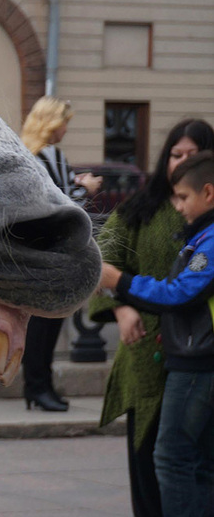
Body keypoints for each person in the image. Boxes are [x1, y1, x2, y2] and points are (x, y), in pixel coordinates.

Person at [90, 118, 214, 517]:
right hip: (146, 353)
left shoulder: (206, 226)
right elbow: (99, 259)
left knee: (184, 461)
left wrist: (123, 284)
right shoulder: (139, 207)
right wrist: (121, 309)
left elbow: (181, 292)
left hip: (195, 356)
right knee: (151, 462)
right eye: (176, 155)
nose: (181, 162)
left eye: (192, 156)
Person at [20, 96, 102, 412]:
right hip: (51, 254)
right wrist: (88, 187)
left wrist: (77, 184)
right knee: (45, 324)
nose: (67, 128)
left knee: (42, 325)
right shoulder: (47, 155)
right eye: (65, 121)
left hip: (40, 252)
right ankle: (39, 388)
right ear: (52, 123)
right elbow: (65, 203)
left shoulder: (34, 154)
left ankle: (38, 387)